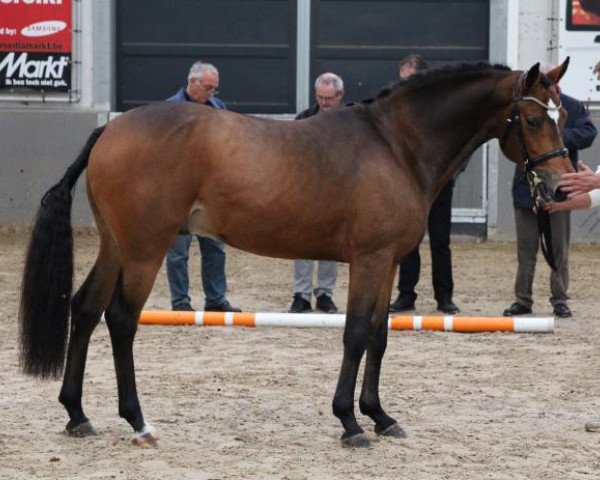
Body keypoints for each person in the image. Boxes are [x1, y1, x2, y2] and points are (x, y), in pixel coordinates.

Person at [503, 67, 597, 318]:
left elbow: (589, 133)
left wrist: (554, 136)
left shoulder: (572, 107)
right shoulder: (525, 107)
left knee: (559, 248)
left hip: (561, 184)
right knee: (526, 249)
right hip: (527, 186)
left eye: (550, 81)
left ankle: (559, 299)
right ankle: (523, 299)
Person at [165, 61, 241, 312]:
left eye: (214, 89)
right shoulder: (169, 111)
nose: (212, 93)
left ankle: (216, 300)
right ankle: (180, 302)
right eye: (208, 87)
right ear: (192, 82)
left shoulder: (219, 108)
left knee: (215, 248)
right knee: (177, 252)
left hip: (210, 192)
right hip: (177, 191)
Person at [389, 55, 460, 315]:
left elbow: (456, 146)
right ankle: (406, 295)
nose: (403, 86)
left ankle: (444, 297)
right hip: (410, 185)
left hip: (438, 183)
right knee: (408, 242)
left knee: (441, 242)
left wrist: (451, 172)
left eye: (408, 81)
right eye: (402, 81)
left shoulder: (443, 109)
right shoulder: (398, 108)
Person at [288, 72, 345, 314]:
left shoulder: (350, 120)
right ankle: (301, 294)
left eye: (328, 98)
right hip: (307, 190)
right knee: (302, 242)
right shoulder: (303, 119)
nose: (323, 102)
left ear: (340, 96)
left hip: (338, 190)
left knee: (331, 244)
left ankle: (325, 293)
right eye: (320, 97)